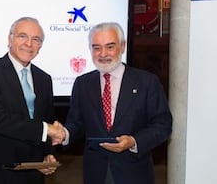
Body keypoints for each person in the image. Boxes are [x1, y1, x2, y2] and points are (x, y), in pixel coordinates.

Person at [59, 22, 172, 184]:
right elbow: (76, 122)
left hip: (134, 172)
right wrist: (65, 133)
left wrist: (134, 141)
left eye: (110, 46)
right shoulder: (82, 83)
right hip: (95, 173)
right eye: (96, 47)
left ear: (123, 46)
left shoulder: (146, 82)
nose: (103, 53)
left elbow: (163, 124)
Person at [0, 17, 65, 184]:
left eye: (36, 39)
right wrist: (47, 129)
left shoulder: (44, 79)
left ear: (40, 46)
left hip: (33, 173)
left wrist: (47, 155)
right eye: (23, 36)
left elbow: (47, 119)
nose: (29, 44)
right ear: (10, 39)